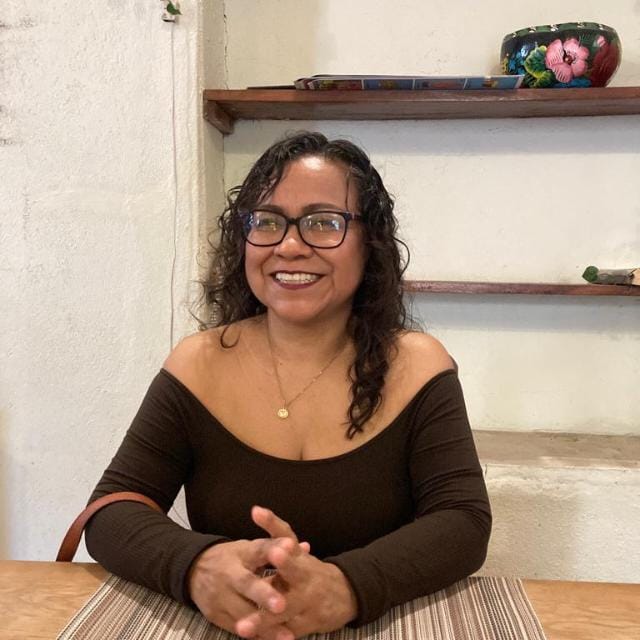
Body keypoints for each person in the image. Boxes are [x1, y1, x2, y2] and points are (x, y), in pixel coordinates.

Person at [85, 131, 491, 640]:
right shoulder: (198, 362)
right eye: (267, 222)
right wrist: (196, 566)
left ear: (370, 243)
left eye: (324, 222)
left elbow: (463, 522)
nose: (290, 246)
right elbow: (112, 511)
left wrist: (347, 587)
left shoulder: (418, 365)